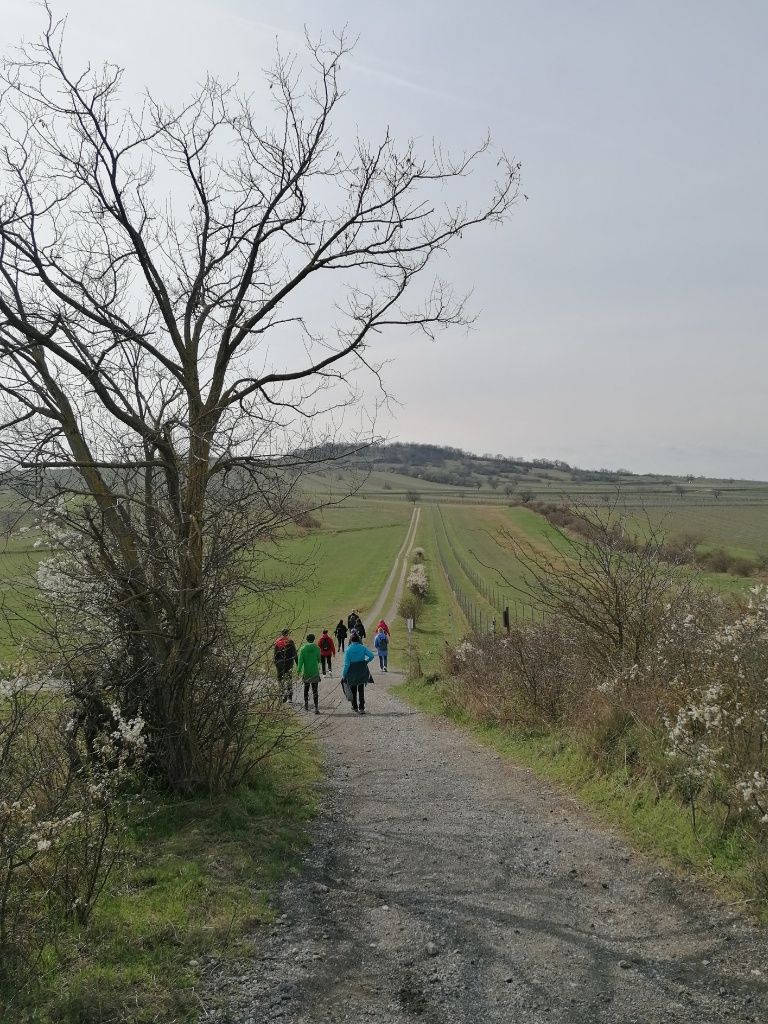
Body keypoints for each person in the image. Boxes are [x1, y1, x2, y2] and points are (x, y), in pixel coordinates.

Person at [342, 630, 375, 714]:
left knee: (353, 690)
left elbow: (346, 664)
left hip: (352, 672)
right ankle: (362, 707)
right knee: (361, 690)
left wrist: (344, 674)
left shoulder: (348, 650)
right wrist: (366, 661)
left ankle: (355, 706)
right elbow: (371, 656)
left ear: (351, 640)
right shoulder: (362, 647)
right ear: (358, 640)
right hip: (361, 671)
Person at [297, 633, 322, 714]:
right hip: (314, 671)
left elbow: (300, 662)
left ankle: (306, 705)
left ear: (306, 639)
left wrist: (298, 671)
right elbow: (319, 659)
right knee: (315, 690)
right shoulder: (317, 648)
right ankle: (316, 707)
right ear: (314, 639)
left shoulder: (303, 649)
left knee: (306, 689)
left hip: (306, 672)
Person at [273, 628, 298, 703]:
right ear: (288, 633)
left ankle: (283, 695)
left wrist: (276, 664)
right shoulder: (290, 641)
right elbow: (294, 653)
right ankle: (290, 698)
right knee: (289, 679)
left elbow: (275, 655)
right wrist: (297, 663)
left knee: (280, 680)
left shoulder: (277, 642)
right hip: (289, 663)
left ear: (281, 633)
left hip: (280, 663)